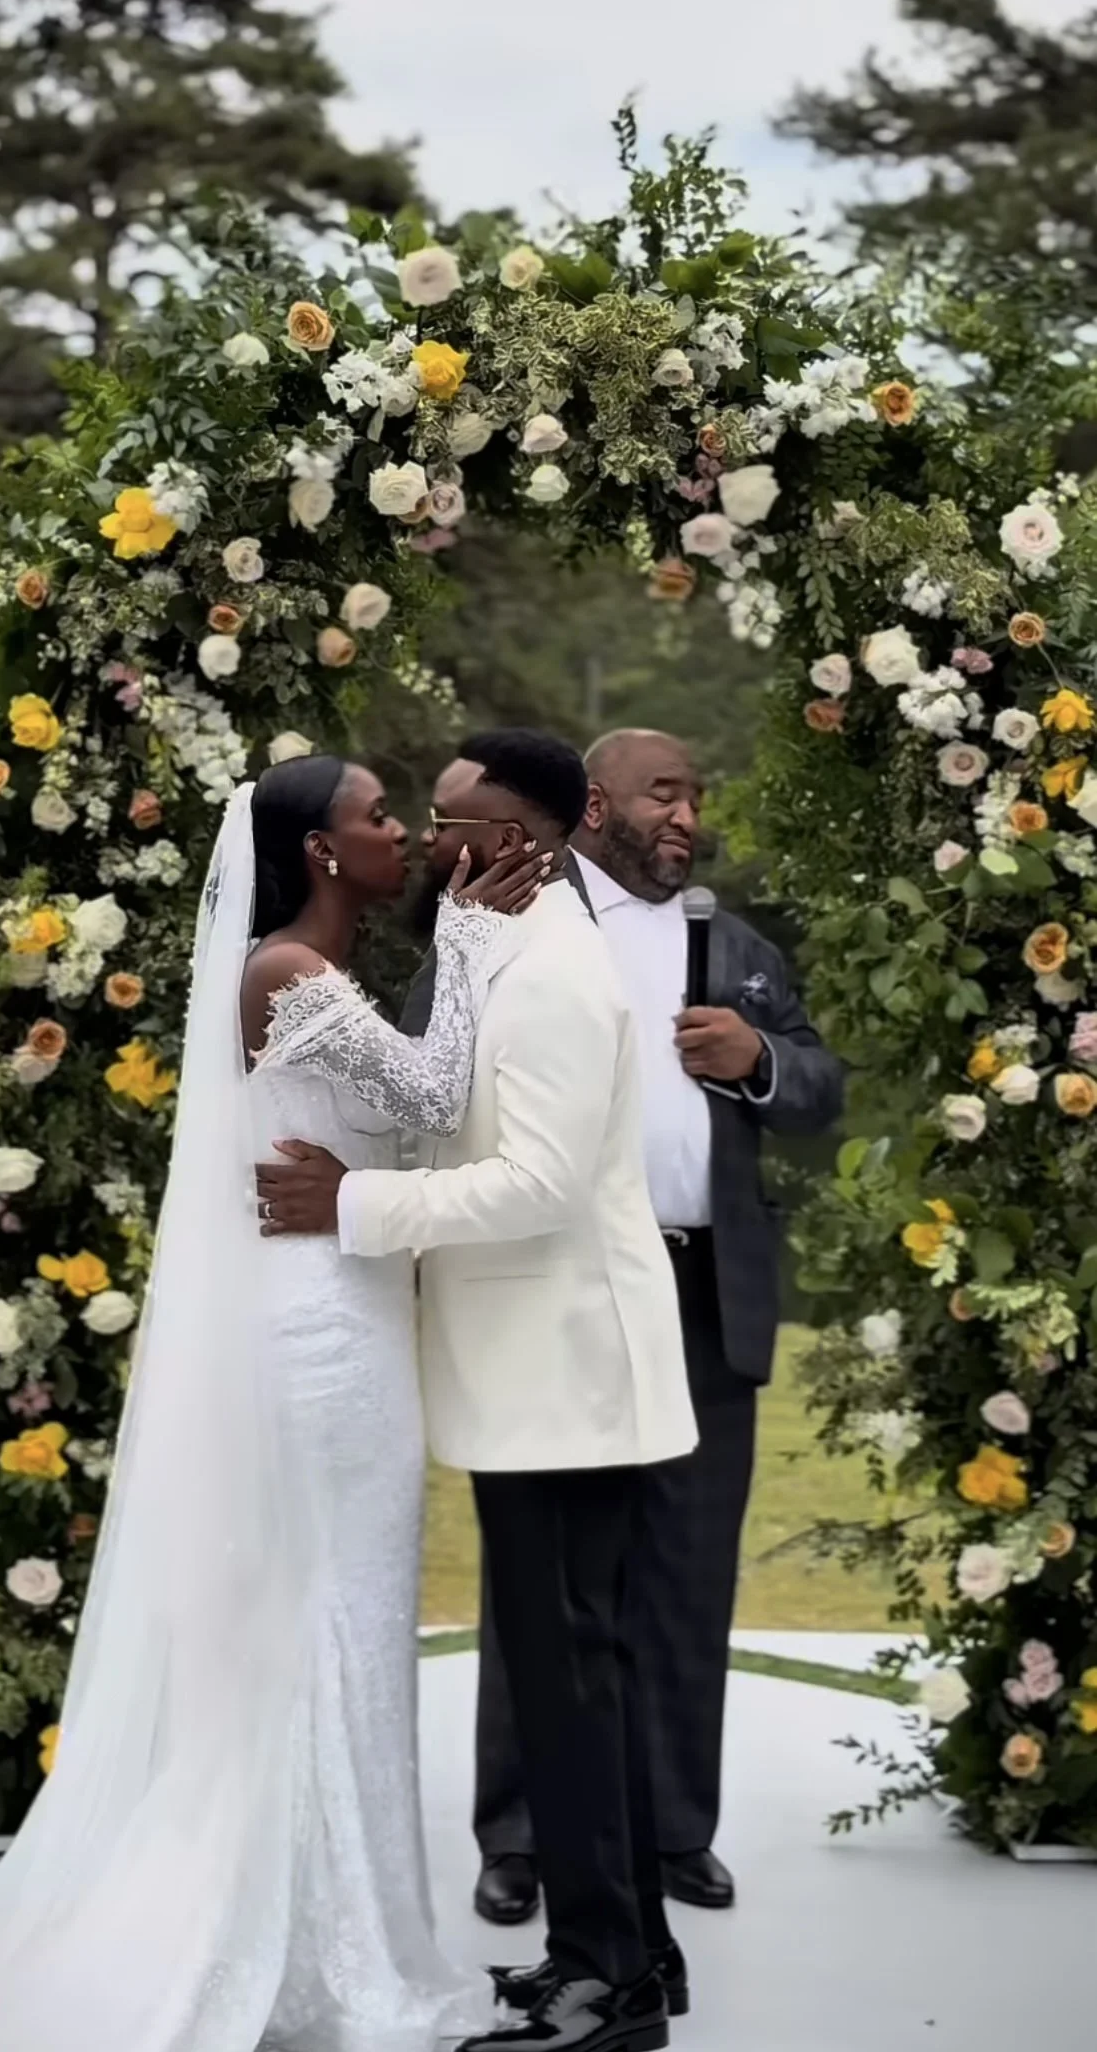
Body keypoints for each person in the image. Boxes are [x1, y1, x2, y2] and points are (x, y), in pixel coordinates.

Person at [0, 756, 542, 2052]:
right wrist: (473, 929)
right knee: (330, 1626)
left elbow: (409, 1121)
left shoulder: (318, 977)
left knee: (349, 1627)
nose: (398, 835)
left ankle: (330, 1936)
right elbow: (432, 1093)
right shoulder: (286, 975)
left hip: (350, 1309)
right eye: (376, 817)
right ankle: (314, 1951)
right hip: (322, 1332)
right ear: (318, 851)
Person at [258, 731, 698, 2052]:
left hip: (565, 1376)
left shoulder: (557, 969)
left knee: (571, 1683)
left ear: (518, 838)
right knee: (580, 1674)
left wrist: (351, 1205)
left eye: (451, 820)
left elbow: (538, 1187)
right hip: (534, 1378)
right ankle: (634, 1956)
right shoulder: (490, 941)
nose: (432, 839)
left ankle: (599, 1985)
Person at [471, 728, 844, 1927]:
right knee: (541, 1574)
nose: (687, 815)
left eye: (698, 794)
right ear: (594, 806)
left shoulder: (729, 947)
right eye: (664, 794)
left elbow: (821, 1085)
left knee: (686, 1574)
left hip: (700, 1293)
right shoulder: (512, 919)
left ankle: (677, 1828)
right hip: (558, 1289)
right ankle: (522, 1834)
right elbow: (435, 1061)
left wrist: (758, 1061)